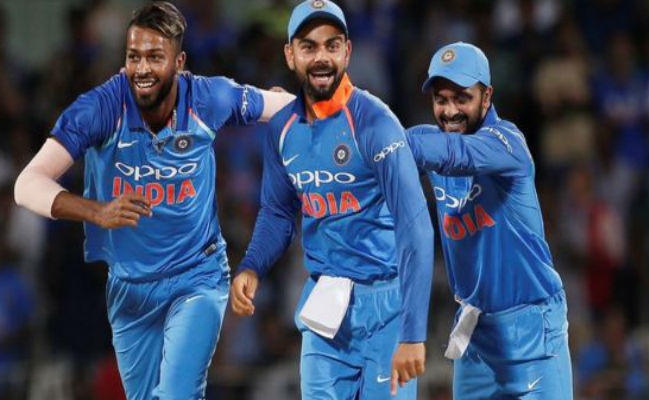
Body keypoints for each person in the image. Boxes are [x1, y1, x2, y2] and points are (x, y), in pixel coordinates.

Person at [13, 2, 294, 399]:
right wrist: (97, 211)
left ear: (179, 63)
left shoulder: (208, 98)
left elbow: (284, 106)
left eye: (154, 57)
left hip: (197, 275)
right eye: (134, 56)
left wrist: (293, 107)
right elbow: (26, 185)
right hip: (130, 288)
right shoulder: (100, 108)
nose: (141, 69)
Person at [229, 1, 434, 399]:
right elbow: (277, 211)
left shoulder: (375, 123)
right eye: (309, 47)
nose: (321, 57)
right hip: (325, 304)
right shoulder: (282, 128)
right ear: (290, 55)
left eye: (331, 45)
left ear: (347, 51)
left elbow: (416, 228)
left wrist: (412, 333)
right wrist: (252, 265)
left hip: (386, 306)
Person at [406, 41, 573, 399]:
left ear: (487, 97)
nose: (450, 111)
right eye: (440, 99)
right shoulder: (432, 142)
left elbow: (455, 154)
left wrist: (392, 149)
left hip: (531, 329)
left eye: (461, 98)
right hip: (475, 333)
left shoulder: (507, 144)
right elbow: (377, 145)